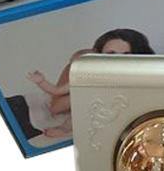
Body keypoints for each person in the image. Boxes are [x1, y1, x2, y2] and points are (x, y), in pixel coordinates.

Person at [18, 29, 155, 140]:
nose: (117, 60)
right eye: (110, 54)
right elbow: (56, 91)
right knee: (78, 114)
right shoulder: (87, 74)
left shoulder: (141, 80)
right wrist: (41, 81)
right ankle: (65, 129)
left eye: (126, 55)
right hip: (87, 109)